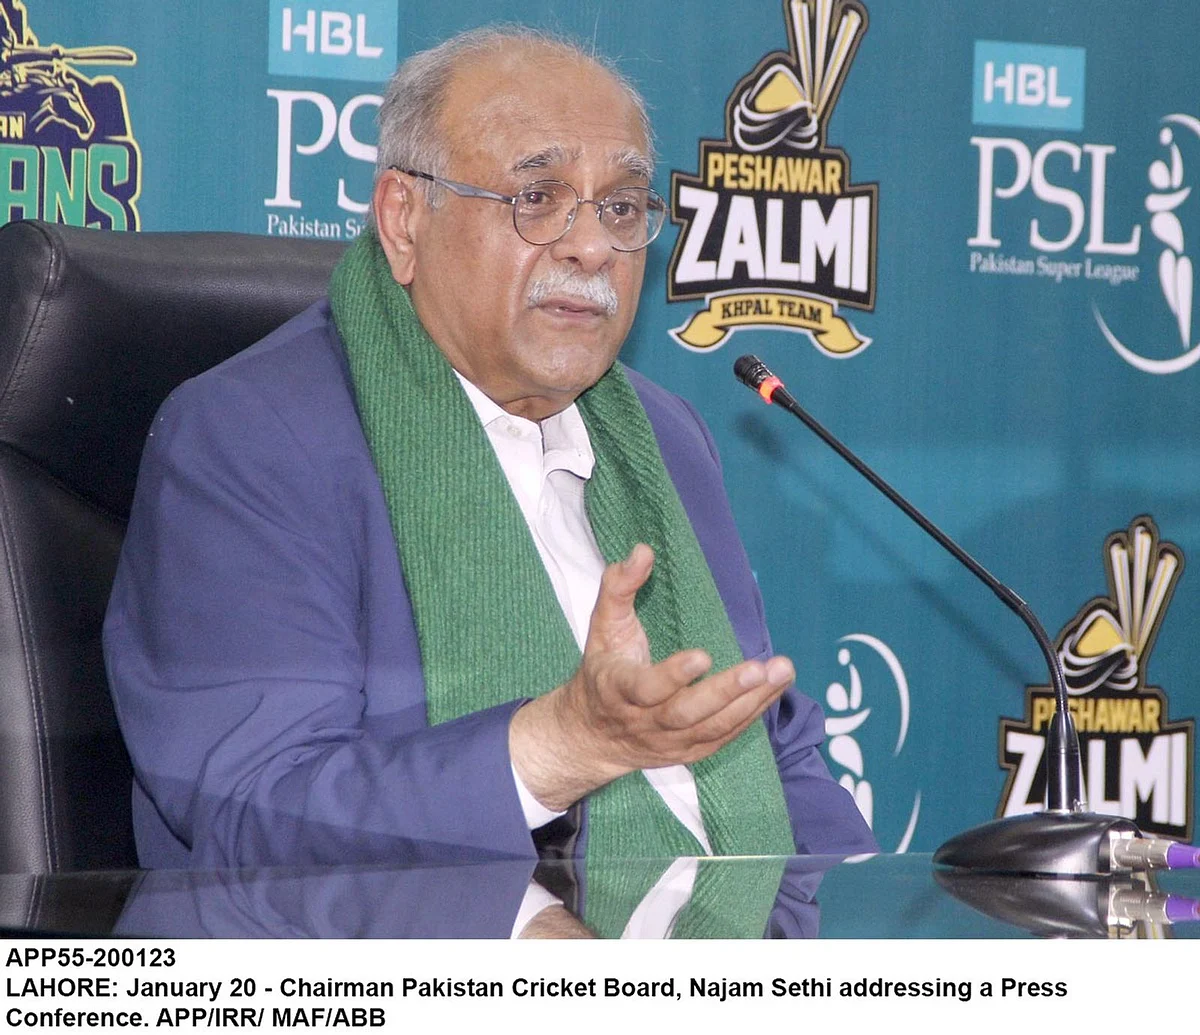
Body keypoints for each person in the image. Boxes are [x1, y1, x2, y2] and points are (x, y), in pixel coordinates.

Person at [103, 27, 875, 879]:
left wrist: (866, 930)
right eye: (537, 197)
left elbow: (774, 754)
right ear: (404, 220)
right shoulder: (249, 438)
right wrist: (560, 745)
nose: (592, 247)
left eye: (622, 208)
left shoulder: (665, 440)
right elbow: (257, 810)